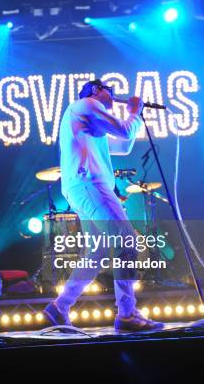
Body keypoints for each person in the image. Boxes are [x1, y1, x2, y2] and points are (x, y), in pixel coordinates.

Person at [43, 80, 164, 332]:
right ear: (95, 91)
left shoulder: (86, 118)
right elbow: (125, 130)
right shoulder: (86, 104)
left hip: (82, 187)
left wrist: (134, 117)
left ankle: (60, 306)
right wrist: (134, 112)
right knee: (127, 241)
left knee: (97, 254)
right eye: (109, 89)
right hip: (91, 184)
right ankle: (128, 314)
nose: (113, 93)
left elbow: (123, 143)